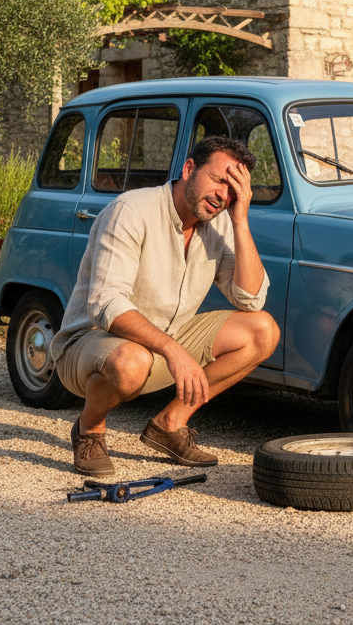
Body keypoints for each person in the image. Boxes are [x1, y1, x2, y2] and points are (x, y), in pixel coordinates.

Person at [48, 135, 279, 476]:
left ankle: (169, 424)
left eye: (232, 190)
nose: (222, 195)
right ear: (189, 169)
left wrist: (240, 220)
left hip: (162, 343)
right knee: (132, 361)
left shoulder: (220, 222)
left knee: (262, 330)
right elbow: (106, 303)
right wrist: (173, 351)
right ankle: (89, 430)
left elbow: (250, 298)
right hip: (90, 347)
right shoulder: (132, 210)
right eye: (218, 180)